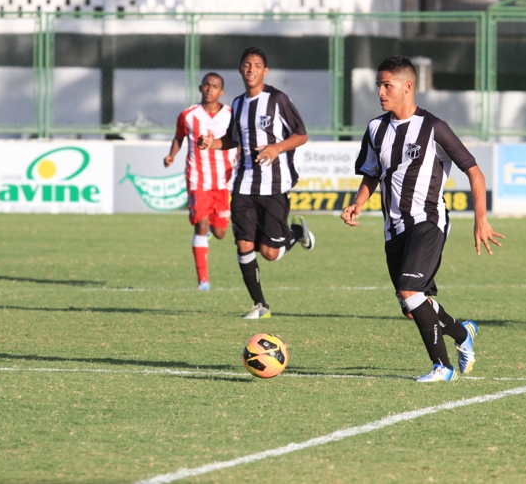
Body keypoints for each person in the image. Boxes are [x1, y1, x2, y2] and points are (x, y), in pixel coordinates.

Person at [341, 55, 504, 382]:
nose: (380, 92)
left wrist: (480, 219)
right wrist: (358, 203)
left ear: (408, 87)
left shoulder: (433, 127)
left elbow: (474, 171)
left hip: (428, 221)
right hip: (394, 229)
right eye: (379, 85)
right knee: (413, 305)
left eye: (387, 85)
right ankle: (461, 333)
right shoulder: (375, 128)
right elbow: (372, 174)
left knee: (408, 290)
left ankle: (442, 368)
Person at [198, 47, 315, 319]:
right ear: (241, 70)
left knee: (270, 253)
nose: (251, 69)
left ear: (265, 71)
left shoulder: (277, 99)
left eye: (257, 65)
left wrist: (277, 148)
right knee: (243, 244)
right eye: (247, 65)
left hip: (274, 184)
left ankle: (296, 233)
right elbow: (232, 139)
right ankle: (260, 305)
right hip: (243, 185)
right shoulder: (237, 104)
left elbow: (301, 135)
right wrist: (211, 143)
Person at [164, 72, 238, 291]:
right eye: (206, 85)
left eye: (214, 86)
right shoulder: (188, 115)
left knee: (220, 233)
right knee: (201, 225)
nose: (209, 89)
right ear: (200, 88)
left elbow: (239, 140)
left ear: (221, 92)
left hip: (224, 182)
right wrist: (172, 155)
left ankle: (206, 233)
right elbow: (179, 136)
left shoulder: (231, 115)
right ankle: (203, 280)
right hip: (197, 179)